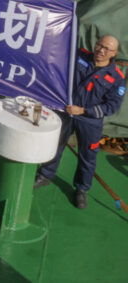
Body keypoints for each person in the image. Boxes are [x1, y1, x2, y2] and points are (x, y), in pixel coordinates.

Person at [35, 35, 125, 209]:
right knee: (55, 145)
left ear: (114, 53)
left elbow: (112, 106)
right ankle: (45, 175)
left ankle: (82, 190)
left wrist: (85, 111)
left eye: (107, 48)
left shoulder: (116, 77)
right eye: (99, 45)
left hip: (89, 120)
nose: (101, 50)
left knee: (88, 157)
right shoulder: (79, 55)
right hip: (65, 112)